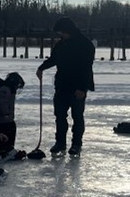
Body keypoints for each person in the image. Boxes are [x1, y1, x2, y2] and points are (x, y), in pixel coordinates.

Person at [36, 16, 95, 156]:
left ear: (68, 30)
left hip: (78, 87)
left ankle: (76, 144)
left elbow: (86, 68)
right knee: (60, 116)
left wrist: (82, 88)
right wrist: (41, 68)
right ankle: (60, 142)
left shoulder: (85, 45)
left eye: (61, 32)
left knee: (77, 116)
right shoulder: (61, 44)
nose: (59, 35)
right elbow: (54, 59)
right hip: (62, 85)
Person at [0, 72, 25, 152]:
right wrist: (6, 114)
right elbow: (3, 102)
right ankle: (8, 148)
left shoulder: (2, 87)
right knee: (11, 127)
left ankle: (2, 146)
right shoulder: (6, 88)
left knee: (5, 129)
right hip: (1, 118)